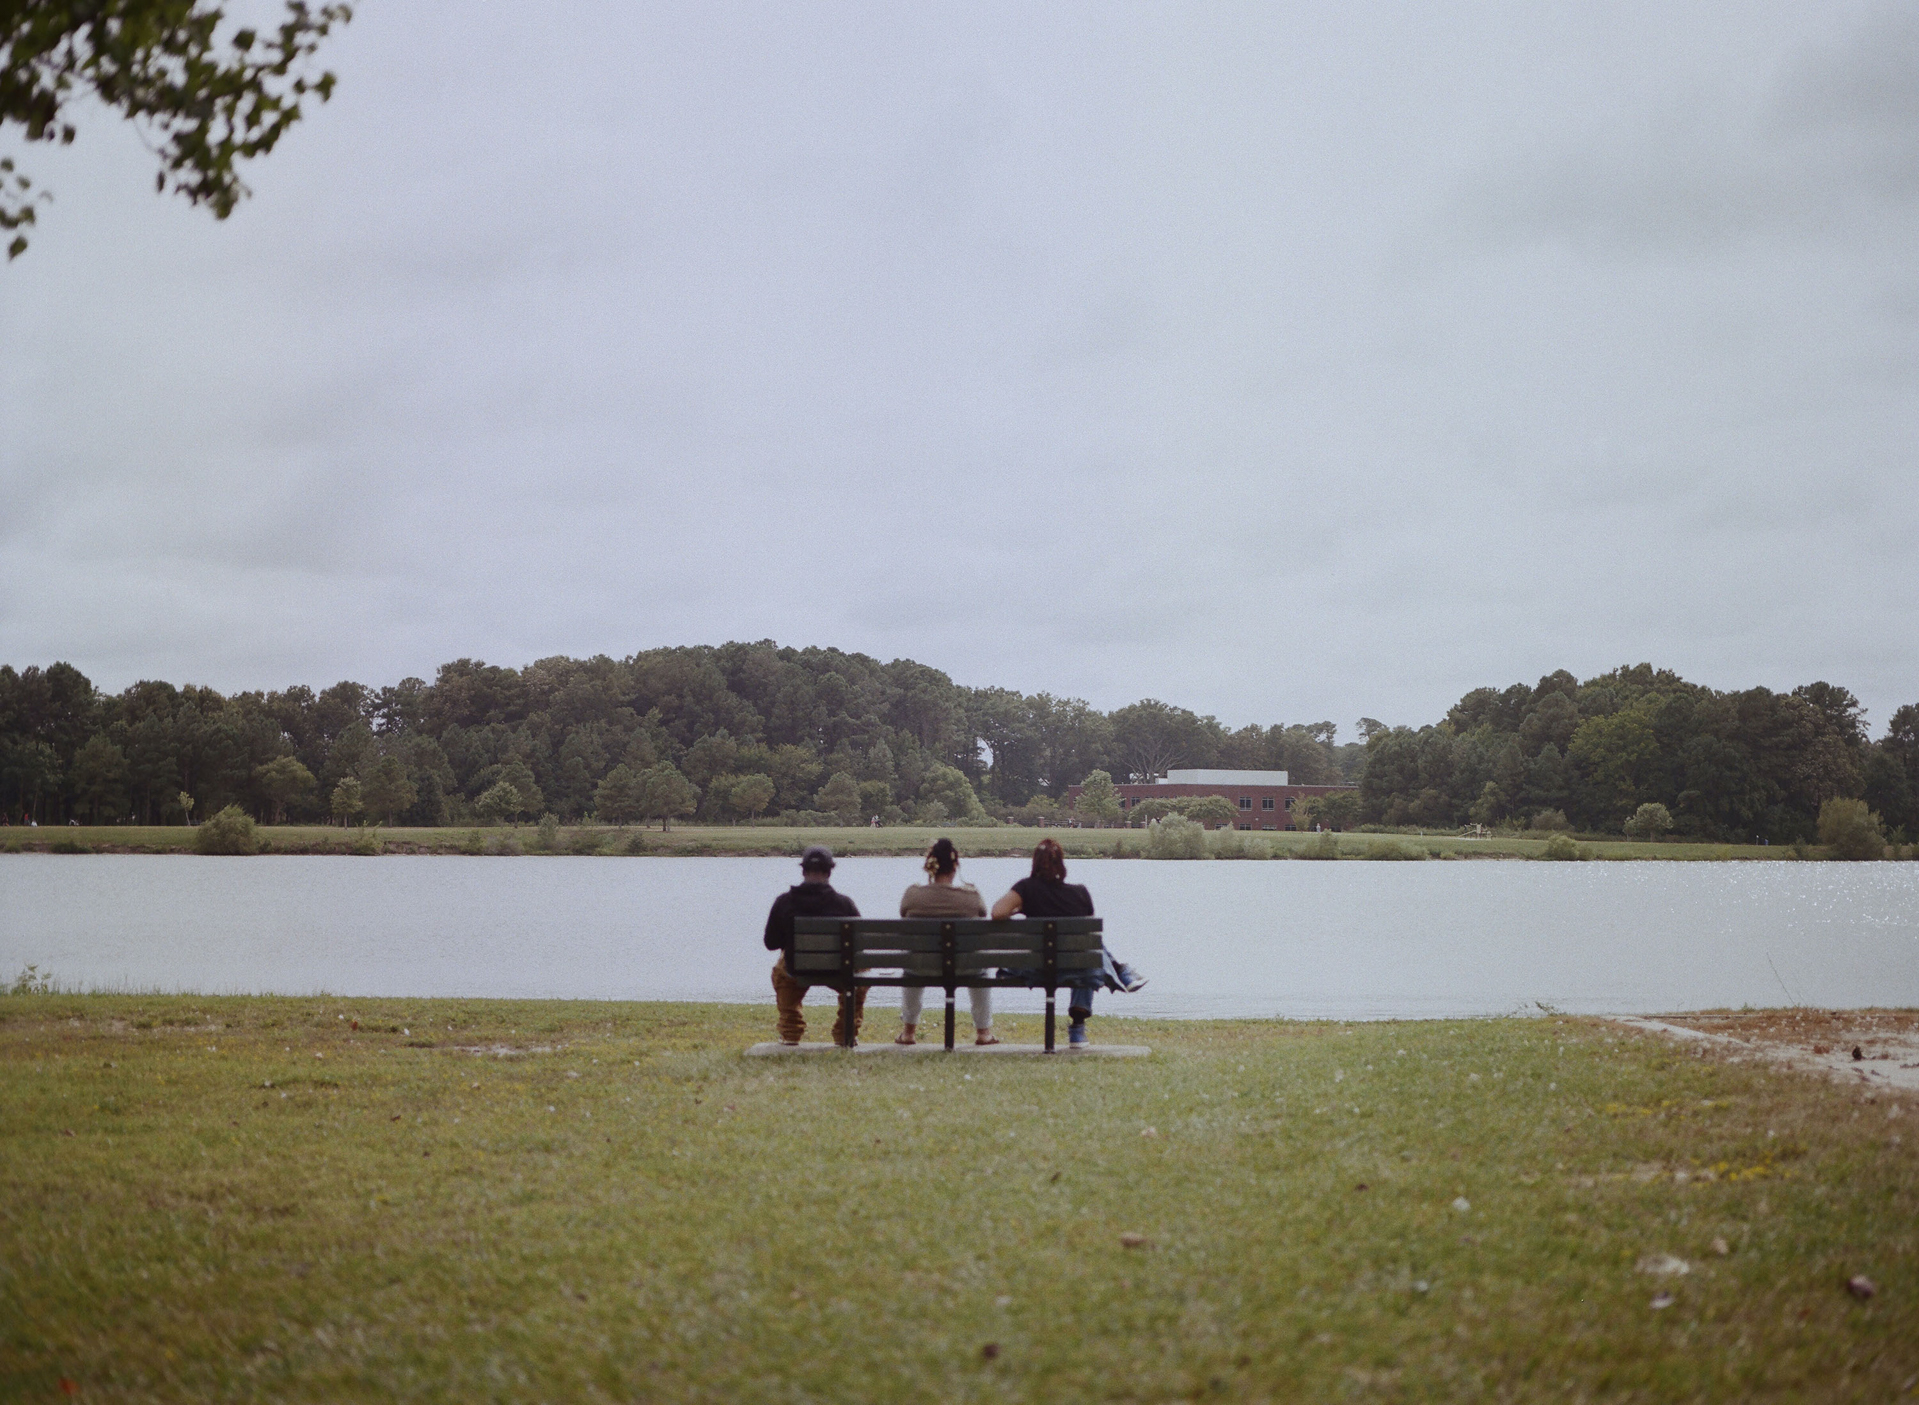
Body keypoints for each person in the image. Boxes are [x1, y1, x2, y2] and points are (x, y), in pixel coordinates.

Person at [990, 838, 1145, 1047]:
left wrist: (1019, 908)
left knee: (1089, 954)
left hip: (1038, 969)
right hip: (1077, 969)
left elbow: (997, 912)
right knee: (1089, 955)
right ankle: (1083, 1022)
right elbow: (1089, 936)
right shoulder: (1080, 893)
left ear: (1035, 863)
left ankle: (1120, 970)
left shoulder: (1026, 888)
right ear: (1061, 864)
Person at [895, 837, 998, 1046]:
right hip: (965, 967)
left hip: (921, 967)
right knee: (981, 967)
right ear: (955, 867)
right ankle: (983, 1032)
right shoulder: (971, 896)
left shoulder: (913, 895)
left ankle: (908, 1032)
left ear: (929, 866)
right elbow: (983, 913)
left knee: (910, 966)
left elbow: (903, 913)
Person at [763, 844, 868, 1046]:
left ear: (803, 871)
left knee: (781, 971)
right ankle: (845, 1032)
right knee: (862, 972)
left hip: (796, 969)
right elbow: (859, 944)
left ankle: (790, 1031)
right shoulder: (844, 904)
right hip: (839, 970)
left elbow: (771, 943)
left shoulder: (784, 902)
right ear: (829, 872)